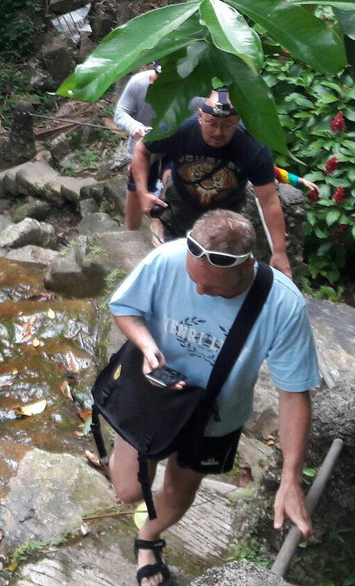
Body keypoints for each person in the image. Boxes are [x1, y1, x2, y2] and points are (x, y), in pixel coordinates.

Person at [108, 209, 318, 586]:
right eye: (194, 281)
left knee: (179, 488)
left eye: (214, 288)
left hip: (216, 415)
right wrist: (146, 344)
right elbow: (124, 308)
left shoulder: (284, 306)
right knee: (128, 491)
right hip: (152, 394)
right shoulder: (167, 258)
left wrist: (291, 477)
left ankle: (148, 538)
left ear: (246, 267)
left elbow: (294, 395)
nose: (200, 292)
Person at [132, 88, 293, 277]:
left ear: (238, 121)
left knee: (216, 270)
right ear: (200, 116)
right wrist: (142, 193)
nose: (218, 132)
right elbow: (142, 149)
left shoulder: (253, 148)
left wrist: (280, 251)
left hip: (224, 215)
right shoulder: (179, 128)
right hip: (179, 204)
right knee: (172, 265)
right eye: (212, 123)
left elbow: (269, 201)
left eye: (227, 126)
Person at [114, 65, 161, 232]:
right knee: (134, 192)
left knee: (168, 191)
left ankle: (160, 232)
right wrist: (134, 126)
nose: (154, 82)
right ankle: (131, 233)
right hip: (141, 148)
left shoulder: (188, 88)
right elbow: (120, 113)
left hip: (171, 148)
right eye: (154, 78)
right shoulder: (139, 83)